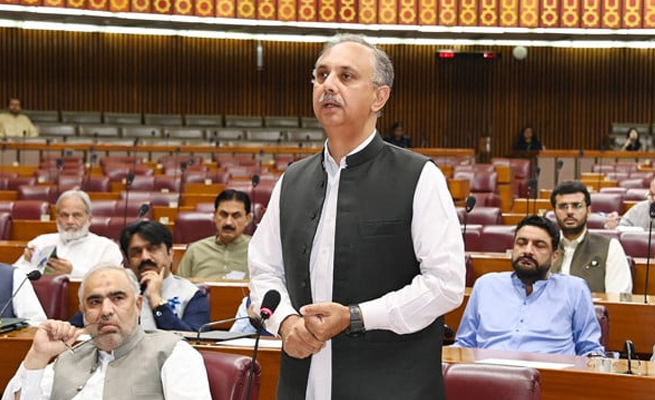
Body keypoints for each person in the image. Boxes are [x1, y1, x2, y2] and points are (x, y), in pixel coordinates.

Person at [248, 34, 465, 400]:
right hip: (301, 383)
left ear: (379, 97)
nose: (328, 85)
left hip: (392, 384)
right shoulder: (293, 180)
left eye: (346, 76)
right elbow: (264, 269)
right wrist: (285, 322)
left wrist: (356, 316)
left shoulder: (418, 177)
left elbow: (445, 284)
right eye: (321, 75)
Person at [1, 265, 212, 400]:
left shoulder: (173, 354)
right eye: (94, 302)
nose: (106, 311)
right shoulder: (67, 359)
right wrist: (38, 356)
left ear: (138, 305)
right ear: (83, 312)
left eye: (118, 298)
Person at [454, 215, 605, 356]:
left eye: (539, 246)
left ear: (554, 257)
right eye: (521, 243)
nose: (527, 251)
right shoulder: (486, 285)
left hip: (551, 378)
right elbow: (464, 343)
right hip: (489, 375)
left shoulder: (574, 289)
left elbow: (590, 350)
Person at [71, 220, 209, 332]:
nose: (145, 257)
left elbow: (193, 341)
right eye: (136, 252)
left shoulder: (191, 294)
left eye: (152, 249)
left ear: (170, 254)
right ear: (128, 260)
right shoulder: (113, 289)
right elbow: (75, 327)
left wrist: (156, 301)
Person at [13, 189, 123, 279]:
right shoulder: (40, 242)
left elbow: (111, 280)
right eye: (64, 215)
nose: (70, 221)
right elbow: (14, 274)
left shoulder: (107, 247)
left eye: (76, 215)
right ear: (57, 218)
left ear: (89, 219)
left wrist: (72, 271)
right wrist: (29, 262)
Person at [549, 181, 632, 294]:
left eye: (576, 206)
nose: (569, 212)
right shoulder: (546, 246)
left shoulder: (610, 247)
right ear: (554, 211)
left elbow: (617, 300)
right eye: (563, 206)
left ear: (588, 211)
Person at [177, 189, 252, 279]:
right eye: (223, 215)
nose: (228, 222)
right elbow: (179, 289)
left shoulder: (257, 251)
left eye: (236, 216)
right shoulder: (195, 250)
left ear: (248, 219)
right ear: (215, 216)